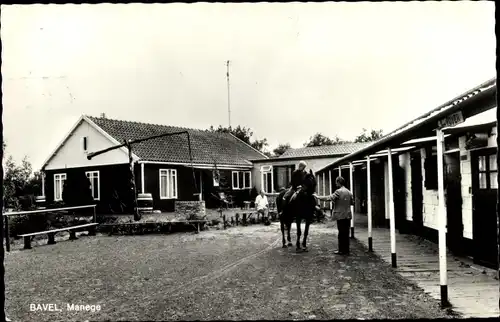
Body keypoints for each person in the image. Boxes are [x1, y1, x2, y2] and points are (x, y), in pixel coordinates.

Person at [315, 176, 354, 255]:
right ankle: (346, 250)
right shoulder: (349, 192)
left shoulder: (338, 191)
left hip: (340, 215)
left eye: (336, 182)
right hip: (348, 215)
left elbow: (329, 198)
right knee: (346, 233)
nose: (336, 184)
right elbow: (352, 203)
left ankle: (341, 250)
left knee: (341, 233)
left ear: (338, 182)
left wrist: (318, 197)